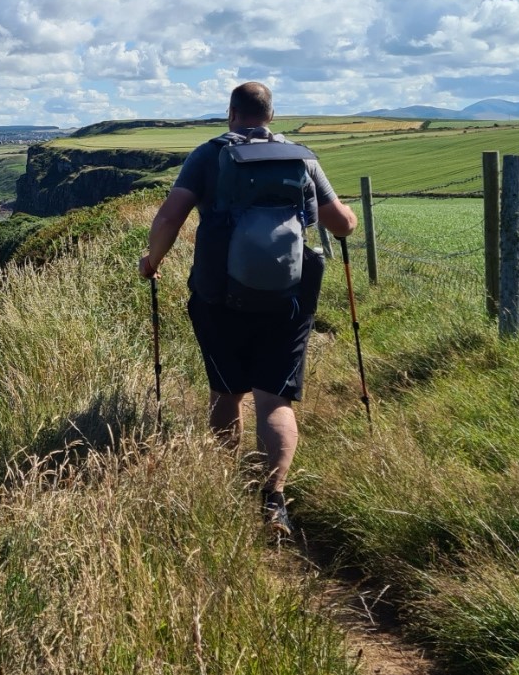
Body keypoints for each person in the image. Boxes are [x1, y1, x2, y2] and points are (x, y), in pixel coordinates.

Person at [138, 82, 357, 537]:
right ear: (271, 115)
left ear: (231, 113)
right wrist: (348, 217)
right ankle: (274, 499)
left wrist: (152, 262)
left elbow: (169, 217)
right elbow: (342, 224)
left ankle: (224, 482)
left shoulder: (208, 154)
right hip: (289, 298)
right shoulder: (301, 157)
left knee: (227, 393)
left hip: (219, 296)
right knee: (274, 400)